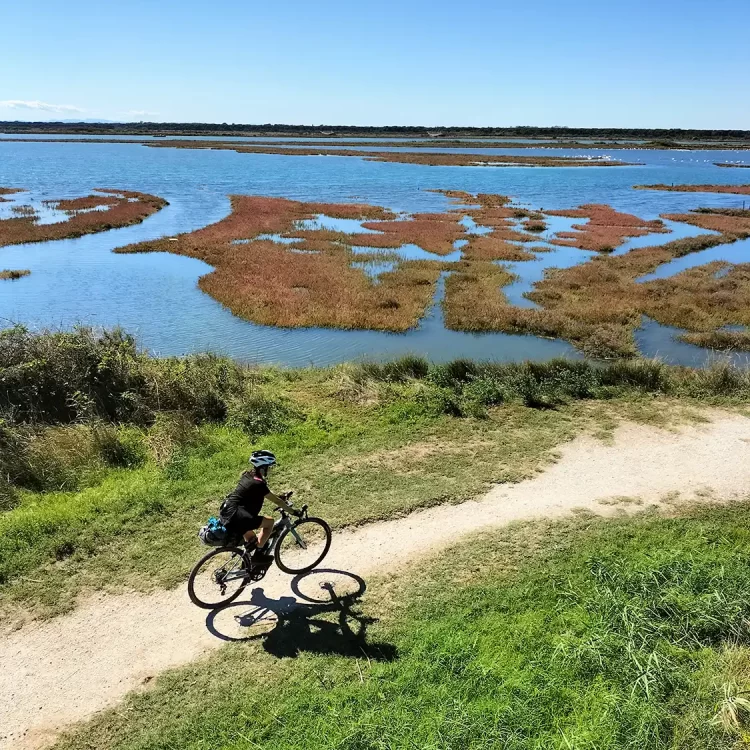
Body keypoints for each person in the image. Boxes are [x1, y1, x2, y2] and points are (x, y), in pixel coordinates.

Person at [219, 450, 298, 564]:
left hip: (227, 511)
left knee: (253, 540)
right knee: (269, 522)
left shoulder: (248, 475)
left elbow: (261, 494)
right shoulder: (259, 484)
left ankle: (247, 564)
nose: (270, 470)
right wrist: (293, 512)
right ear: (262, 468)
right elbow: (276, 501)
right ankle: (258, 557)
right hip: (238, 516)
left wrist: (281, 497)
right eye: (269, 467)